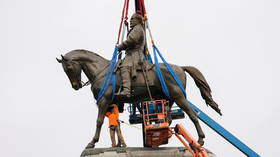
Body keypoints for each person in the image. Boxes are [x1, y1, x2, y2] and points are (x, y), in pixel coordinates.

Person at [117, 13, 146, 98]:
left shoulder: (138, 28)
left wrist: (120, 47)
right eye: (130, 20)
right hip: (131, 54)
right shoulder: (136, 29)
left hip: (135, 54)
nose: (130, 21)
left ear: (138, 20)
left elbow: (131, 40)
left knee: (124, 67)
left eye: (132, 19)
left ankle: (126, 91)